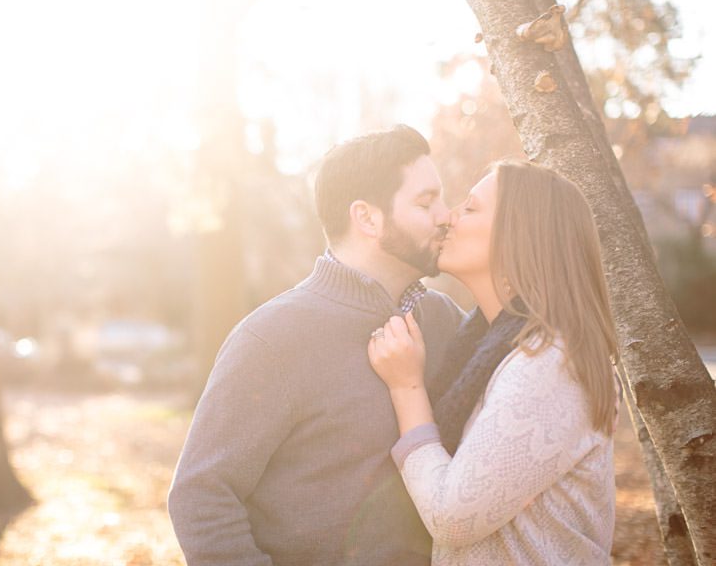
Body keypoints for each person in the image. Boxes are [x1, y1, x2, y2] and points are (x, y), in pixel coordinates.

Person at [168, 125, 464, 565]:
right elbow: (201, 496)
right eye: (425, 202)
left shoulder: (445, 322)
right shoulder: (272, 339)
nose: (446, 216)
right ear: (367, 218)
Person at [368, 160, 618, 564]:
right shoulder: (489, 347)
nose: (448, 218)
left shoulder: (550, 364)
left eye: (469, 208)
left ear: (519, 235)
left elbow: (453, 518)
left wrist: (406, 387)